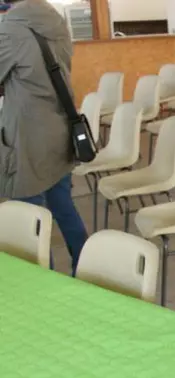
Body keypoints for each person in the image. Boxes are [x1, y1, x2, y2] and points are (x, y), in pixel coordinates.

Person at [0, 0, 87, 270]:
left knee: (30, 215)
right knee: (62, 204)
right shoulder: (55, 20)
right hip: (60, 128)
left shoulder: (11, 28)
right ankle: (85, 266)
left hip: (28, 137)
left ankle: (42, 280)